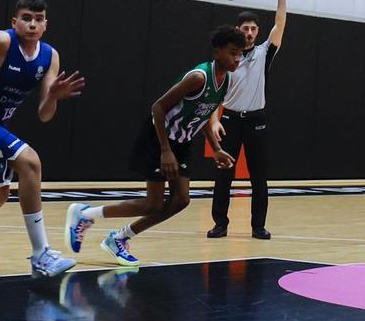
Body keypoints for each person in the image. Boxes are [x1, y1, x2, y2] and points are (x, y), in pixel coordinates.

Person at [65, 27, 244, 267]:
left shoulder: (227, 81)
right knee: (153, 204)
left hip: (182, 141)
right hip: (158, 137)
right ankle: (85, 214)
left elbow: (204, 113)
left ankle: (119, 237)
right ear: (217, 52)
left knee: (181, 200)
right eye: (233, 53)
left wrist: (216, 148)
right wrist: (165, 150)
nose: (237, 59)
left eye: (240, 55)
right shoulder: (198, 77)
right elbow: (158, 107)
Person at [0, 0, 83, 282]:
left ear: (46, 24)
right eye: (26, 17)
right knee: (30, 161)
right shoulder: (0, 41)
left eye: (38, 19)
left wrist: (54, 97)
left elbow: (45, 114)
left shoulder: (49, 56)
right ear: (14, 22)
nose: (32, 24)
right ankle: (41, 254)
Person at [208, 0, 289, 241]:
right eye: (246, 28)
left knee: (259, 177)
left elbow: (280, 24)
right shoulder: (225, 58)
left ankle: (258, 226)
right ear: (237, 31)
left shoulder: (265, 52)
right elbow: (210, 94)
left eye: (254, 29)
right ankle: (220, 224)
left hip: (256, 120)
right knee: (224, 175)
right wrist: (214, 121)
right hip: (229, 119)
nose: (251, 32)